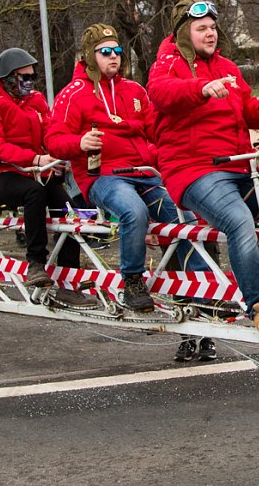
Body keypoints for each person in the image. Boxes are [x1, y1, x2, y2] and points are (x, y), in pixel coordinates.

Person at [147, 0, 259, 342]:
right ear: (185, 32)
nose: (211, 33)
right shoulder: (166, 65)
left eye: (213, 27)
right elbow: (160, 94)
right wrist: (200, 88)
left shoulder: (228, 67)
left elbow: (246, 109)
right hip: (194, 169)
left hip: (241, 163)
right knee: (239, 221)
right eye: (202, 28)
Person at [46, 24, 213, 326]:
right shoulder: (73, 93)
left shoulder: (135, 90)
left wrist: (172, 151)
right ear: (89, 55)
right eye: (105, 52)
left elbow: (157, 131)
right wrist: (79, 142)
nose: (114, 57)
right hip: (103, 177)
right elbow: (54, 140)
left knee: (183, 215)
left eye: (118, 51)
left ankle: (201, 286)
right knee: (133, 212)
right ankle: (133, 281)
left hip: (144, 172)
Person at [0, 48, 96, 309]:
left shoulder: (37, 100)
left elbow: (51, 132)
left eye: (32, 77)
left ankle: (69, 279)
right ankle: (36, 263)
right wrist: (35, 159)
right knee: (33, 194)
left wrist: (61, 153)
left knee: (68, 208)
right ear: (8, 78)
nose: (29, 82)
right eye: (23, 78)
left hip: (36, 171)